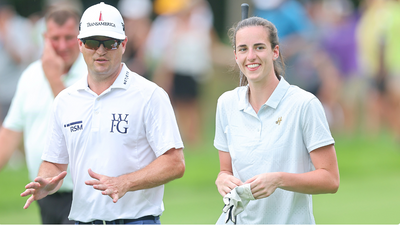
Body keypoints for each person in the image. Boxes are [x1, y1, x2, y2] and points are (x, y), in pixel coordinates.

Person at [20, 2, 185, 224]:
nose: (100, 50)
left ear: (124, 44)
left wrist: (125, 182)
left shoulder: (150, 95)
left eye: (110, 43)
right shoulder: (65, 101)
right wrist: (46, 181)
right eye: (92, 42)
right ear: (80, 44)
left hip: (136, 220)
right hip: (83, 220)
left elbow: (174, 163)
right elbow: (54, 163)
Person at [214, 16, 339, 224]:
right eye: (243, 49)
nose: (251, 56)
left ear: (275, 52)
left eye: (259, 47)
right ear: (235, 55)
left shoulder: (304, 104)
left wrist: (279, 180)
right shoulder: (226, 104)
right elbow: (225, 170)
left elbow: (330, 179)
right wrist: (223, 179)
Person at [0, 5, 85, 224]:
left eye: (69, 37)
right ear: (45, 38)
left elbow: (77, 122)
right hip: (44, 194)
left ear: (80, 38)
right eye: (55, 38)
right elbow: (10, 132)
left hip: (83, 193)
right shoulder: (30, 75)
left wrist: (54, 79)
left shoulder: (92, 74)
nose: (62, 45)